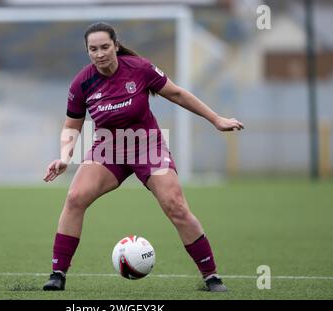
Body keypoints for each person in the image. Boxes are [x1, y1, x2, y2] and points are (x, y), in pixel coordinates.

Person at [42, 22, 244, 292]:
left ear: (115, 45)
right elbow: (72, 125)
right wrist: (65, 157)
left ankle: (211, 277)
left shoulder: (139, 68)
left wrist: (216, 119)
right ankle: (57, 274)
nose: (100, 53)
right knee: (75, 198)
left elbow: (178, 94)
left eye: (104, 47)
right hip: (108, 150)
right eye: (93, 49)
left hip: (147, 146)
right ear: (87, 51)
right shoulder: (82, 83)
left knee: (175, 205)